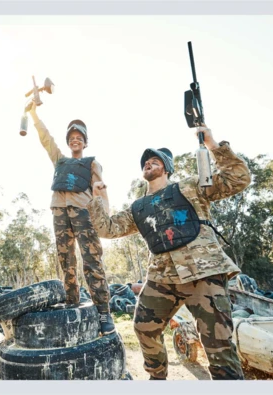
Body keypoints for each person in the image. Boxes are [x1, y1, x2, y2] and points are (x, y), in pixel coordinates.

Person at [87, 125, 251, 380]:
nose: (148, 163)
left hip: (203, 272)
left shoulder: (190, 187)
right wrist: (97, 198)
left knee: (218, 346)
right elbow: (107, 229)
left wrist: (211, 143)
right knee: (143, 327)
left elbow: (238, 178)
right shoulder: (138, 207)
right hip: (162, 277)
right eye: (146, 162)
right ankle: (157, 378)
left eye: (155, 160)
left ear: (167, 167)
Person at [27, 102, 115, 335]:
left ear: (85, 142)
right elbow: (46, 139)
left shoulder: (92, 163)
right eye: (72, 137)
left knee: (92, 260)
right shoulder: (60, 160)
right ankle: (72, 300)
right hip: (59, 212)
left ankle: (103, 311)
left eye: (79, 137)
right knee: (66, 259)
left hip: (83, 213)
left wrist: (104, 217)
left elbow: (100, 188)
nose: (75, 140)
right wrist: (34, 115)